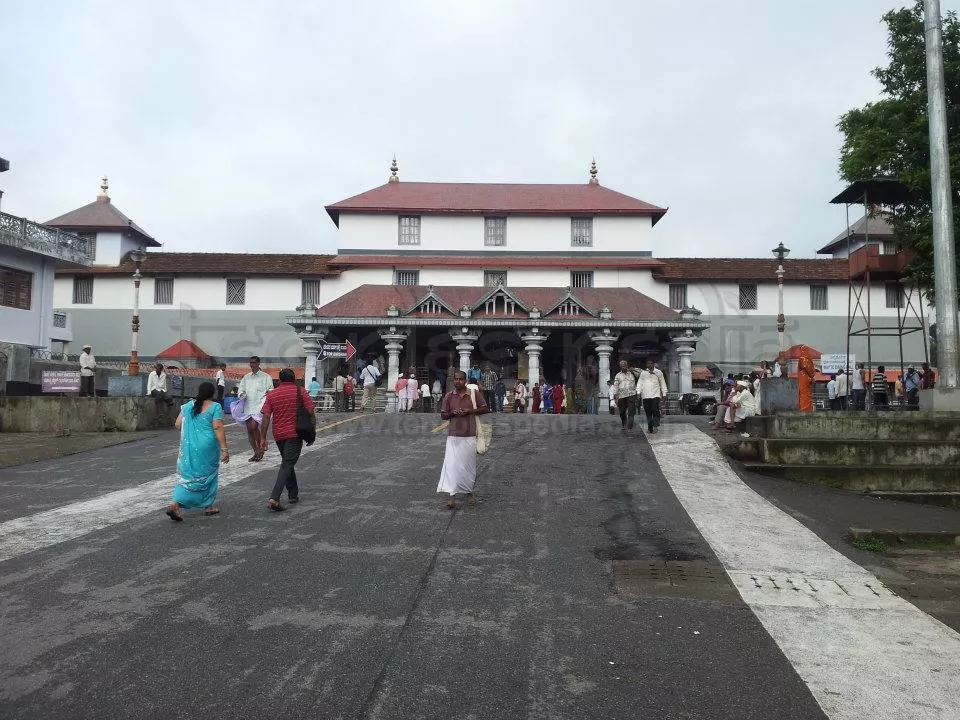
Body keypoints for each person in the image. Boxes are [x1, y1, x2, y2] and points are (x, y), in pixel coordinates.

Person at [165, 382, 228, 522]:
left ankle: (175, 503)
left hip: (190, 447)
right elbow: (217, 427)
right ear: (212, 394)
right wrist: (224, 448)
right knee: (209, 475)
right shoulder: (215, 407)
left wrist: (191, 433)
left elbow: (177, 424)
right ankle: (208, 506)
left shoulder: (188, 406)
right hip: (208, 446)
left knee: (188, 476)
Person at [259, 368, 315, 512]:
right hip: (295, 433)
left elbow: (265, 416)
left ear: (279, 380)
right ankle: (274, 497)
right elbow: (310, 412)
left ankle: (293, 494)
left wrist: (263, 437)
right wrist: (311, 434)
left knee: (287, 462)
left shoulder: (272, 394)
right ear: (294, 379)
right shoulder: (300, 391)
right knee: (287, 464)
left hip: (278, 434)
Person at [437, 370, 489, 510]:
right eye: (456, 379)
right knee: (452, 466)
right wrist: (452, 413)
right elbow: (443, 416)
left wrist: (469, 411)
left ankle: (469, 492)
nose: (457, 381)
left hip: (470, 435)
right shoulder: (449, 396)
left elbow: (485, 408)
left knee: (468, 467)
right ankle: (452, 496)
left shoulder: (473, 394)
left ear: (465, 381)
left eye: (460, 379)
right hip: (453, 436)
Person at [236, 355, 275, 461]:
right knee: (249, 429)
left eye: (254, 362)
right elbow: (241, 389)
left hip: (259, 406)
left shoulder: (266, 377)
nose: (252, 364)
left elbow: (271, 390)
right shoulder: (246, 377)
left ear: (258, 364)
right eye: (250, 362)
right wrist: (241, 394)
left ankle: (260, 449)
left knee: (253, 427)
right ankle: (256, 451)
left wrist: (268, 393)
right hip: (248, 405)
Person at [637, 358, 668, 434]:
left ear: (654, 364)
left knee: (655, 410)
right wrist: (638, 392)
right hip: (646, 396)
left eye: (651, 363)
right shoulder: (643, 373)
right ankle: (650, 428)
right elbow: (640, 383)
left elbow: (662, 383)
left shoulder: (658, 372)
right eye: (648, 363)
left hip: (655, 395)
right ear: (646, 365)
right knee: (648, 413)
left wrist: (664, 394)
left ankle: (656, 426)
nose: (650, 365)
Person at [613, 360, 638, 431]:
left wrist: (634, 369)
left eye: (624, 365)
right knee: (622, 412)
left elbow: (642, 373)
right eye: (621, 366)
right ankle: (624, 424)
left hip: (631, 394)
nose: (622, 367)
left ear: (627, 365)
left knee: (631, 412)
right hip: (621, 396)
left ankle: (629, 427)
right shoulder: (618, 375)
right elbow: (615, 386)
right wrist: (615, 396)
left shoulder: (633, 373)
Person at [797, 345, 816, 413]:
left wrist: (811, 375)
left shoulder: (802, 359)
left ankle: (805, 408)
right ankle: (806, 408)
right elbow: (809, 368)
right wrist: (812, 375)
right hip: (806, 379)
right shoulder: (806, 359)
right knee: (806, 394)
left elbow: (806, 368)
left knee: (804, 394)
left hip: (803, 379)